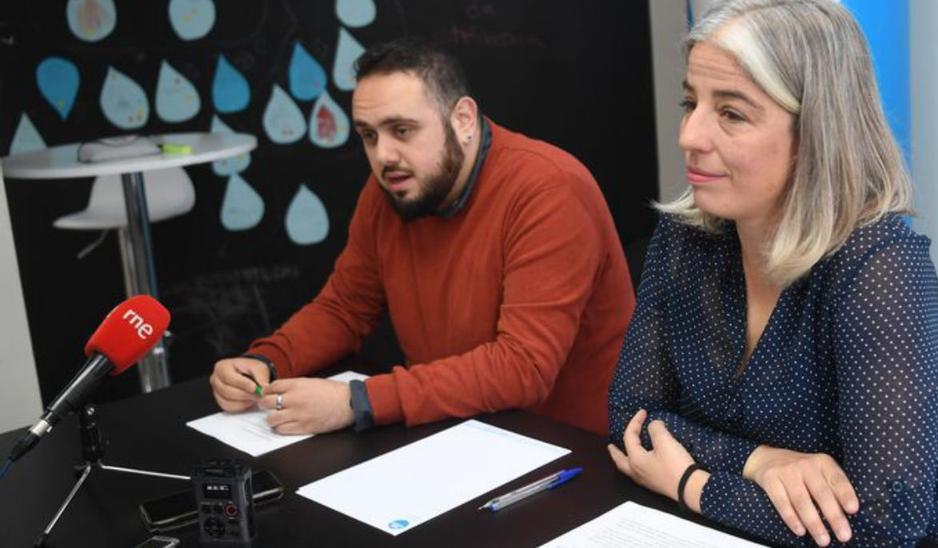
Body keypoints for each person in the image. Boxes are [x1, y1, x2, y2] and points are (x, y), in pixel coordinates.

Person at [605, 1, 938, 546]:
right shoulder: (686, 241)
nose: (690, 135)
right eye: (691, 102)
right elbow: (631, 418)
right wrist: (759, 461)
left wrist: (693, 482)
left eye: (731, 113)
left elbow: (883, 525)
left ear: (816, 134)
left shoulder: (881, 267)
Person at [209, 37, 634, 436]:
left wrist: (357, 401)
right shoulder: (391, 189)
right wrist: (265, 359)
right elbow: (344, 308)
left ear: (463, 119)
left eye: (402, 130)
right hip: (453, 430)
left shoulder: (549, 189)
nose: (383, 155)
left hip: (571, 449)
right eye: (369, 136)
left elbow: (522, 367)